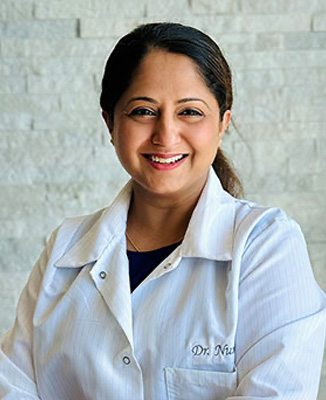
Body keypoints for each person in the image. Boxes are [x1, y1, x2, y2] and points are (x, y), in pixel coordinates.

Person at [0, 22, 325, 400]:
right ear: (110, 122)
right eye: (143, 111)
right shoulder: (65, 248)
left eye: (190, 112)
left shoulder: (267, 245)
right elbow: (13, 386)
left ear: (223, 124)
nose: (166, 135)